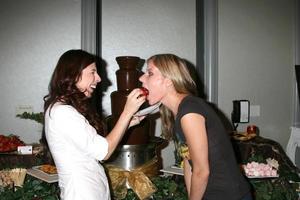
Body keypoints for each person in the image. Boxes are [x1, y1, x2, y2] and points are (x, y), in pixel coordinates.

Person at [139, 54, 252, 200]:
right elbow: (188, 159)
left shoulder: (189, 112)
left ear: (169, 80)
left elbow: (201, 171)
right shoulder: (179, 111)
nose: (141, 78)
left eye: (150, 73)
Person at [43, 49, 145, 200]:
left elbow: (93, 146)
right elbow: (103, 151)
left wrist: (127, 123)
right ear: (73, 74)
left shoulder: (63, 109)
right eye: (93, 72)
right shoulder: (62, 112)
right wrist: (126, 112)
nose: (98, 78)